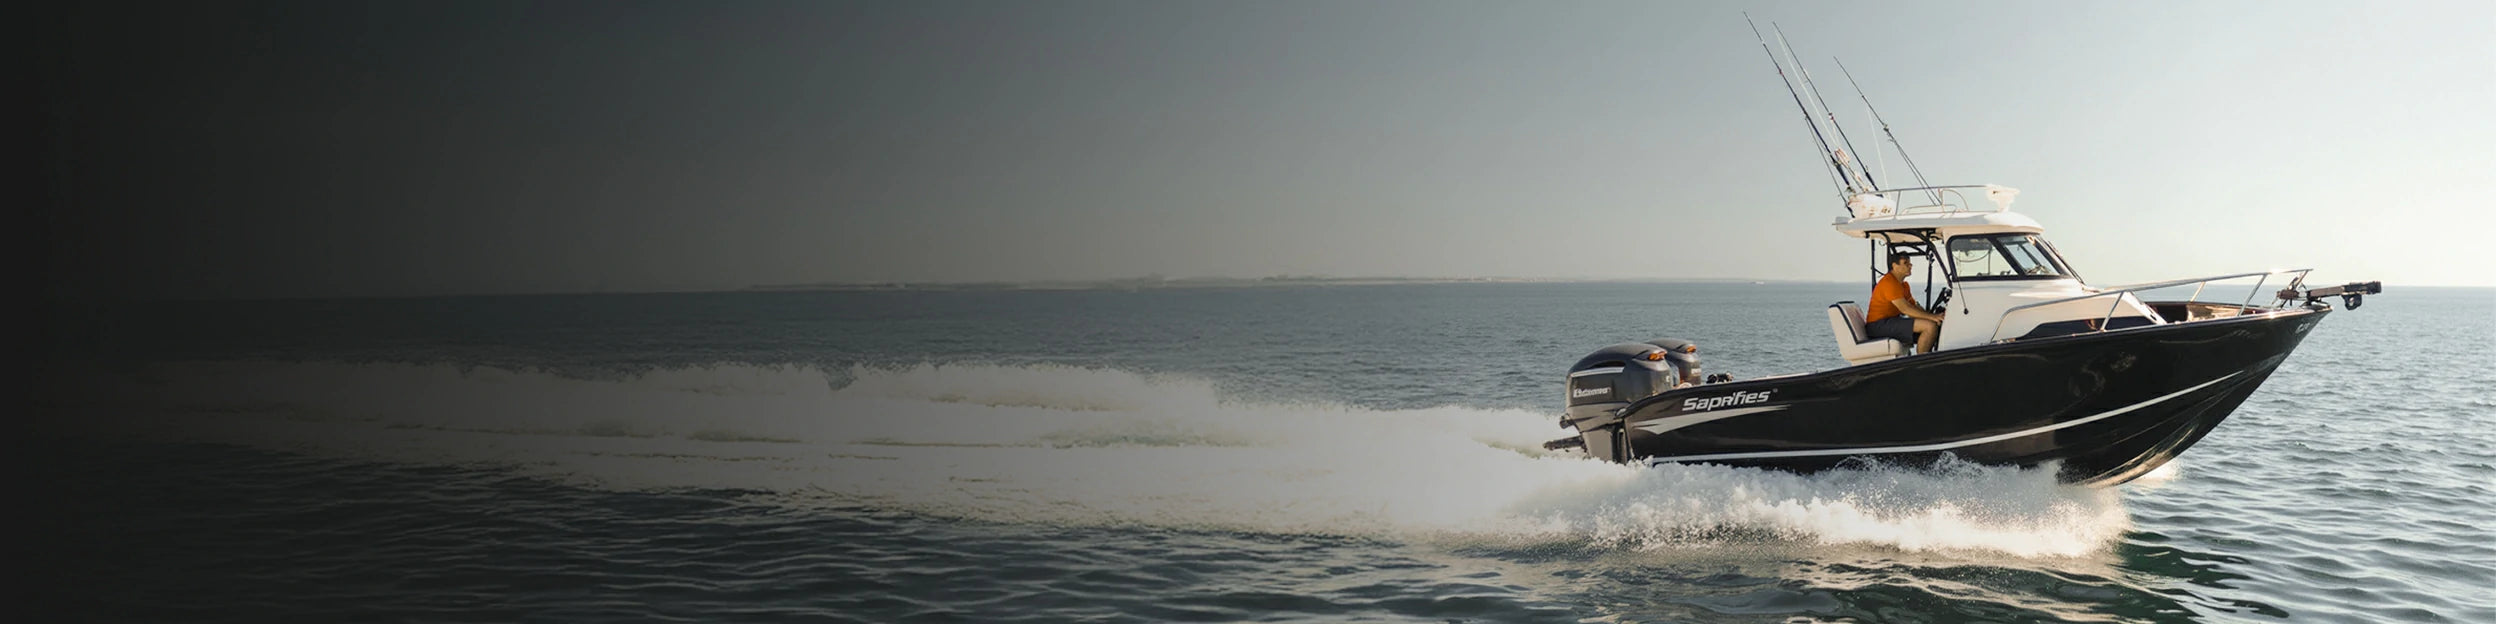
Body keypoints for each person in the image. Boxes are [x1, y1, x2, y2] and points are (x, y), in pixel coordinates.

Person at [1864, 252, 1945, 354]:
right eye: (1905, 263)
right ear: (1895, 266)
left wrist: (1934, 316)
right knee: (1929, 326)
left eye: (1910, 263)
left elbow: (1914, 306)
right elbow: (1905, 309)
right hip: (1877, 326)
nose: (1910, 266)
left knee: (1934, 325)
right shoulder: (1889, 283)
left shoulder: (1903, 285)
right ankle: (1921, 364)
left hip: (1890, 321)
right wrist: (1932, 317)